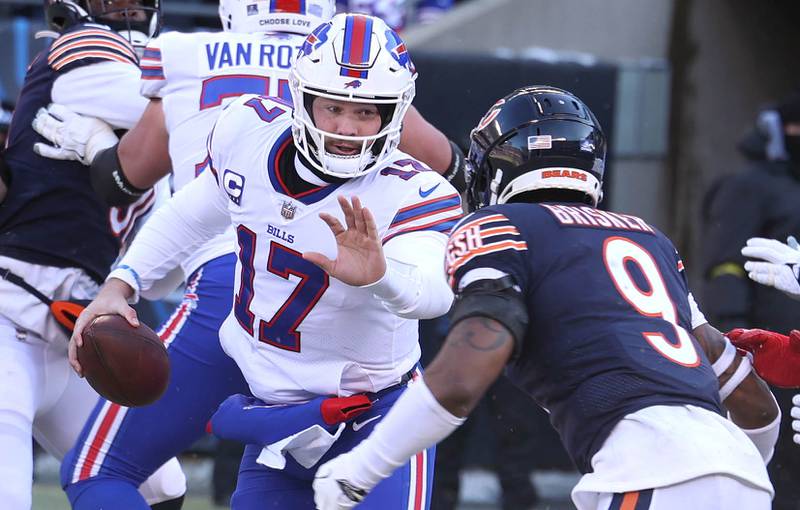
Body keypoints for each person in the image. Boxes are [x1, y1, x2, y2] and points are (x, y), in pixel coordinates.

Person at [28, 2, 465, 508]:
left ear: (393, 113)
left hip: (374, 421)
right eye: (333, 107)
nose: (346, 126)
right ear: (301, 97)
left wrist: (380, 276)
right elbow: (191, 213)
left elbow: (432, 293)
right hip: (274, 416)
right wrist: (120, 283)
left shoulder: (417, 191)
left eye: (365, 111)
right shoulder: (249, 131)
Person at [312, 86, 781, 510]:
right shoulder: (648, 239)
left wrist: (361, 469)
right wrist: (733, 471)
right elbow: (756, 403)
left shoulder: (498, 227)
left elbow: (462, 377)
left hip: (650, 473)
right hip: (740, 472)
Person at [0, 0, 186, 508]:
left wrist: (111, 159)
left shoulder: (158, 133)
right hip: (9, 315)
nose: (123, 12)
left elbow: (164, 276)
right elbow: (192, 115)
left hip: (78, 336)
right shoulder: (82, 49)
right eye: (111, 1)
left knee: (160, 487)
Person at [700, 92, 800, 509]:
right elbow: (726, 261)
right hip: (767, 354)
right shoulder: (749, 186)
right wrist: (730, 339)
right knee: (768, 464)